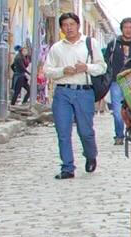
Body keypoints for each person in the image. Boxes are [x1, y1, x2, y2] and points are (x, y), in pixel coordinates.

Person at [42, 13, 106, 179]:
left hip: (84, 91)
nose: (68, 28)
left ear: (78, 25)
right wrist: (62, 71)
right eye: (65, 25)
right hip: (62, 91)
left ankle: (91, 155)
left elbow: (102, 67)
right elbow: (47, 71)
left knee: (85, 131)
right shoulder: (57, 48)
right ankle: (67, 167)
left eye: (71, 24)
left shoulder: (90, 43)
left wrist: (87, 67)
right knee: (63, 131)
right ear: (61, 28)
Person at [105, 17, 131, 145]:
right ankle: (119, 135)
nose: (128, 30)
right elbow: (106, 61)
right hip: (116, 81)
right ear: (122, 29)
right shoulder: (113, 44)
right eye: (126, 27)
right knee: (117, 111)